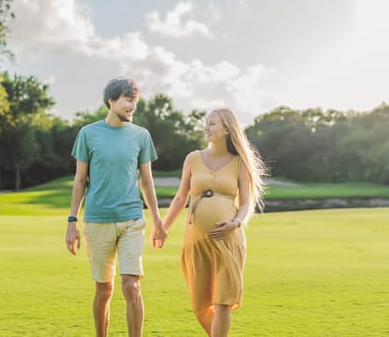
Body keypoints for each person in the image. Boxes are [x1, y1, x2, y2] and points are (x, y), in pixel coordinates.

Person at [65, 77, 167, 337]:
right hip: (98, 220)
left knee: (131, 286)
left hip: (132, 219)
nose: (133, 105)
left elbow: (147, 181)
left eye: (135, 100)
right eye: (128, 99)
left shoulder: (141, 136)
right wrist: (72, 222)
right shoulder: (88, 134)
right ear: (111, 101)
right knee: (104, 290)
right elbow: (79, 181)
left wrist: (157, 221)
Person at [162, 108, 266, 337]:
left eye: (213, 124)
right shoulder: (192, 158)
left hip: (229, 240)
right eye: (206, 123)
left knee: (222, 302)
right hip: (197, 241)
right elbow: (181, 198)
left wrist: (236, 223)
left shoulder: (240, 163)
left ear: (227, 129)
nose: (206, 127)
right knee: (200, 307)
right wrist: (163, 227)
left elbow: (246, 204)